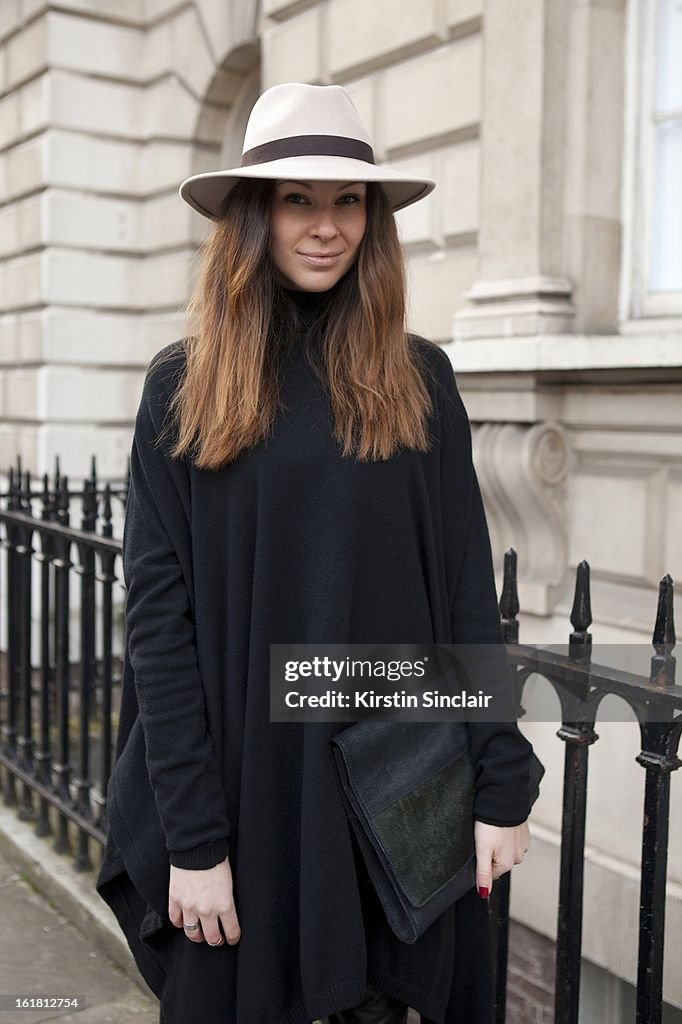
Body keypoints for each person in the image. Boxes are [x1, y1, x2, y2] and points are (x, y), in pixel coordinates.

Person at [95, 82, 538, 1024]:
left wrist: (502, 780)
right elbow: (159, 632)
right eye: (299, 198)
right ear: (254, 215)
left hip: (396, 777)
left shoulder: (420, 379)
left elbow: (464, 588)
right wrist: (195, 842)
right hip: (248, 795)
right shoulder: (182, 388)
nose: (327, 225)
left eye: (348, 201)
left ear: (373, 220)